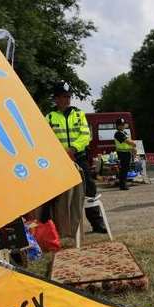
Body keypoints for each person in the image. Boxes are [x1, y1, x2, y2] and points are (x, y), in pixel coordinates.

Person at [45, 81, 107, 236]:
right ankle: (56, 228)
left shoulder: (78, 114)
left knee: (89, 188)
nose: (67, 99)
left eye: (68, 96)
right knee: (57, 193)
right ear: (56, 98)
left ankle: (97, 223)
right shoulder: (49, 117)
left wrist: (73, 149)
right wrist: (62, 152)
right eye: (63, 96)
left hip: (78, 157)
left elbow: (85, 135)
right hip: (59, 160)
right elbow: (45, 138)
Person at [114, 117, 136, 190]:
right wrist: (134, 144)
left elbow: (129, 141)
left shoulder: (124, 132)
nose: (122, 126)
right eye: (120, 125)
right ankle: (122, 185)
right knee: (123, 169)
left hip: (127, 153)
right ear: (117, 126)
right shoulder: (118, 134)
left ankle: (124, 184)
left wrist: (132, 147)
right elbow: (128, 141)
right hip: (122, 154)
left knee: (126, 169)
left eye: (123, 124)